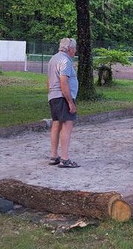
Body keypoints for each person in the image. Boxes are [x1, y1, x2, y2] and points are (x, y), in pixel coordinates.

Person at [46, 37, 79, 168]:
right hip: (62, 96)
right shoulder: (65, 61)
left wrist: (51, 93)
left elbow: (49, 81)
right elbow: (63, 81)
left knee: (56, 124)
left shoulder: (53, 59)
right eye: (74, 49)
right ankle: (65, 159)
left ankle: (54, 156)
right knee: (67, 124)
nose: (75, 51)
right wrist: (70, 102)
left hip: (53, 96)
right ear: (70, 49)